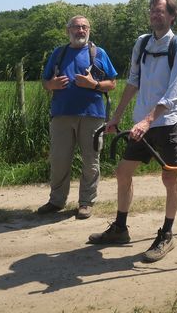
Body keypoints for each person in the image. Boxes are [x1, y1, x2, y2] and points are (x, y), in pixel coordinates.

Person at [88, 0, 177, 263]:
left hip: (166, 123)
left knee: (169, 178)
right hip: (140, 125)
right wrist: (116, 117)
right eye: (152, 11)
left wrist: (148, 120)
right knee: (123, 172)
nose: (155, 15)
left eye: (161, 11)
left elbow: (174, 92)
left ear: (171, 15)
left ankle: (167, 234)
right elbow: (133, 81)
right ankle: (120, 228)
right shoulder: (142, 43)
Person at [38, 16, 118, 220]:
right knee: (59, 160)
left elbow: (112, 83)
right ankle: (56, 201)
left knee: (91, 161)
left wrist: (94, 85)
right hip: (61, 114)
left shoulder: (98, 53)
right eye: (76, 27)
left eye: (84, 27)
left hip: (92, 115)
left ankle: (86, 202)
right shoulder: (58, 53)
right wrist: (51, 85)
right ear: (68, 31)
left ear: (89, 30)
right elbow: (45, 81)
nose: (80, 30)